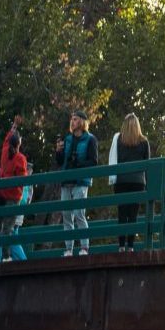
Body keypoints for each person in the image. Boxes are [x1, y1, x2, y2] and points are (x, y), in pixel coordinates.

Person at [55, 108, 100, 257]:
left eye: (75, 119)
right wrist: (59, 151)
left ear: (81, 121)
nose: (72, 122)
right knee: (66, 215)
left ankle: (84, 247)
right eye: (71, 119)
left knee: (79, 213)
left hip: (81, 180)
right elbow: (60, 162)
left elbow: (94, 161)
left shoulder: (90, 139)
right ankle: (68, 249)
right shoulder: (67, 139)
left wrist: (79, 164)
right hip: (66, 180)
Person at [109, 112, 151, 252]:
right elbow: (148, 165)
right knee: (133, 215)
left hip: (121, 181)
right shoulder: (144, 142)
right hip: (138, 182)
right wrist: (148, 186)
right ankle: (131, 246)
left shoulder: (119, 140)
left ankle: (121, 246)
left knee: (122, 213)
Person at [0, 123, 31, 260]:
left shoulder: (5, 152)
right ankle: (16, 260)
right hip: (14, 199)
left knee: (2, 231)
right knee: (9, 232)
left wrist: (12, 129)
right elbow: (23, 180)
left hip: (2, 196)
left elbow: (6, 141)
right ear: (19, 143)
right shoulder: (20, 159)